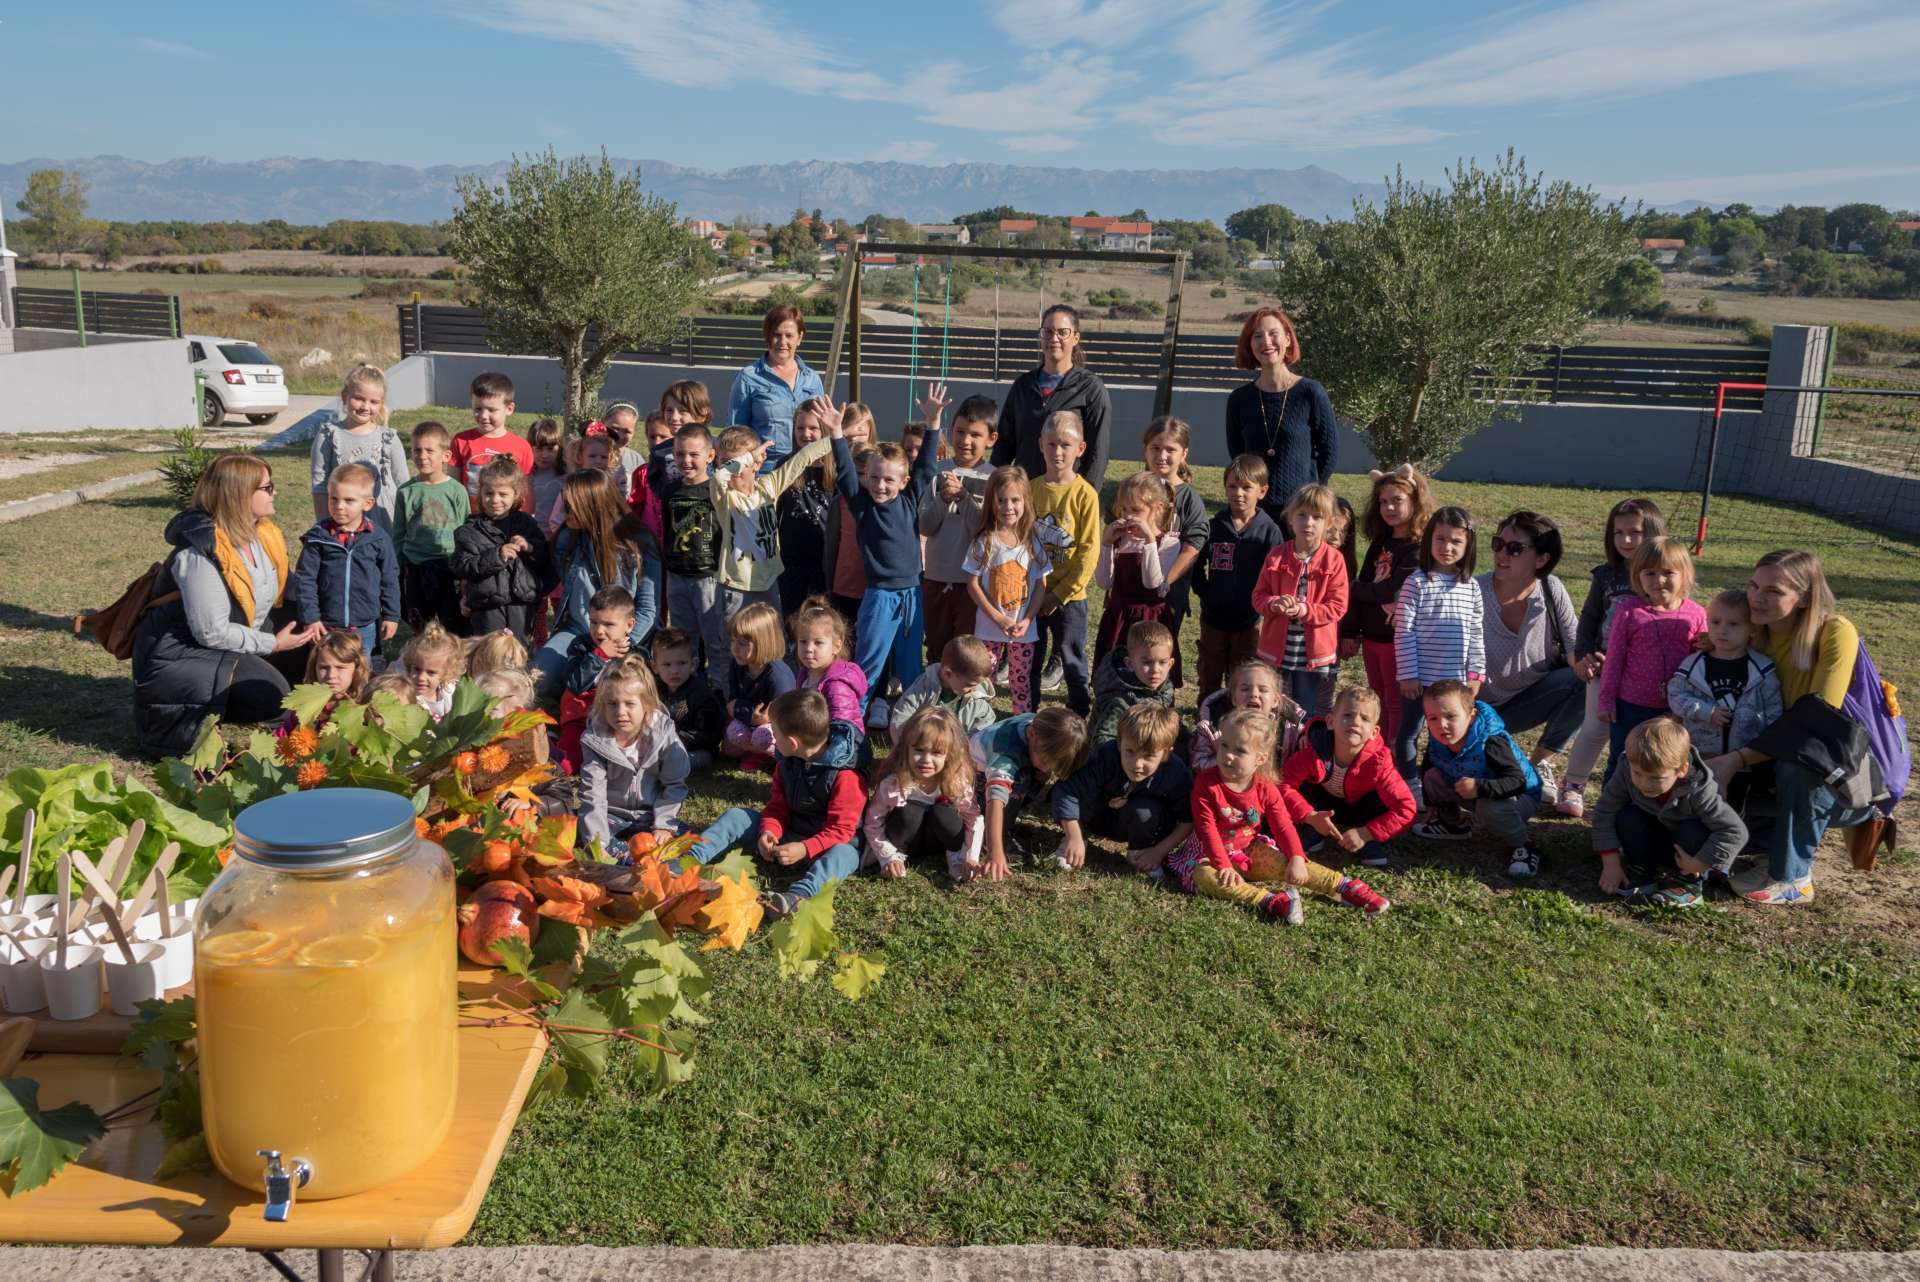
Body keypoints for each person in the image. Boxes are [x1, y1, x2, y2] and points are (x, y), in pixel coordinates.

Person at [1716, 550, 1883, 904]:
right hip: (1769, 755)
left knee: (1798, 765)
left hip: (1837, 770)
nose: (1758, 598)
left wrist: (1738, 759)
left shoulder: (1834, 632)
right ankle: (1763, 850)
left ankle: (1794, 877)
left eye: (1774, 591)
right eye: (1753, 586)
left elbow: (1817, 723)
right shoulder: (1752, 634)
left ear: (1805, 597)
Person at [1166, 709, 1390, 923]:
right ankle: (1272, 902)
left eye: (1240, 751)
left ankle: (1345, 887)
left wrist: (1296, 857)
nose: (1229, 756)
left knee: (1288, 864)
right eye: (1224, 745)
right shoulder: (1206, 783)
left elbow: (1283, 826)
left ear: (1260, 759)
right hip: (1208, 854)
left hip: (1248, 849)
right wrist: (1223, 865)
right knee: (1204, 877)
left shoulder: (1266, 788)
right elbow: (1207, 830)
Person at [687, 689, 868, 917]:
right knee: (737, 816)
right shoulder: (786, 763)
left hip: (832, 844)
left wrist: (805, 848)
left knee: (844, 856)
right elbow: (777, 805)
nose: (771, 738)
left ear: (792, 743)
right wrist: (769, 830)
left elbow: (841, 830)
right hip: (791, 832)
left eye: (774, 733)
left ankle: (797, 897)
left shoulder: (846, 777)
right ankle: (690, 859)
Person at [828, 388, 944, 722]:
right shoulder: (862, 506)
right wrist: (836, 434)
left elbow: (926, 467)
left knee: (910, 667)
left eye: (889, 480)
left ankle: (914, 723)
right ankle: (852, 719)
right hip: (880, 597)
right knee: (870, 662)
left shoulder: (908, 500)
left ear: (903, 481)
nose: (880, 485)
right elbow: (848, 475)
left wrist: (933, 422)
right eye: (874, 478)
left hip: (911, 595)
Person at [1559, 497, 1664, 818]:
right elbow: (1590, 618)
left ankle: (1637, 791)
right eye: (1619, 533)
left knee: (1641, 734)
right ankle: (1573, 784)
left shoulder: (1665, 576)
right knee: (1594, 728)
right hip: (1604, 667)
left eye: (1635, 532)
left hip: (1646, 674)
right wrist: (1583, 654)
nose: (1627, 540)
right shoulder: (1607, 576)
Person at [1475, 510, 1584, 809]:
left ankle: (1539, 764)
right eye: (1499, 544)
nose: (1502, 554)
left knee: (1585, 678)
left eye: (1515, 548)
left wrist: (1597, 670)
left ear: (1541, 559)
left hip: (1528, 699)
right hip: (1477, 711)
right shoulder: (1474, 591)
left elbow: (1575, 648)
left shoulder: (1551, 589)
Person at [1592, 716, 1747, 907]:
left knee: (1692, 830)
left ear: (1682, 770)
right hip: (1658, 840)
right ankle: (1642, 870)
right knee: (1628, 817)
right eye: (1638, 773)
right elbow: (1604, 810)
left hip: (1690, 854)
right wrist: (1611, 865)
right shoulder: (1626, 769)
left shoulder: (1699, 789)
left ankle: (1690, 884)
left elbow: (1735, 831)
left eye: (1656, 778)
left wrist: (1700, 862)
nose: (1644, 783)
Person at [533, 470, 656, 698]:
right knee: (539, 681)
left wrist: (623, 645)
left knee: (618, 687)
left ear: (593, 505)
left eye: (571, 507)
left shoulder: (639, 544)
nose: (563, 512)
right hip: (579, 631)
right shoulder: (566, 539)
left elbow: (648, 610)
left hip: (624, 635)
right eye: (564, 504)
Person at [1343, 465, 1435, 756]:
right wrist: (1350, 630)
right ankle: (1377, 751)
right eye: (1383, 502)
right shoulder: (1380, 543)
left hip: (1397, 639)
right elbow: (1365, 585)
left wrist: (1355, 587)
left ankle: (1395, 755)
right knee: (1378, 698)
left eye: (1397, 500)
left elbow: (1390, 590)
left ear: (1415, 502)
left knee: (1396, 703)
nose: (1389, 507)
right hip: (1371, 636)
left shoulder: (1418, 548)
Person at [1598, 537, 1707, 780]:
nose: (1659, 580)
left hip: (1676, 707)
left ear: (1685, 574)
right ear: (1638, 577)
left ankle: (1657, 812)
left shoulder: (1697, 614)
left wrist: (1707, 645)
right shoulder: (1629, 611)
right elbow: (1614, 659)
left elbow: (1700, 662)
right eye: (1650, 573)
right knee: (1622, 758)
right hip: (1631, 704)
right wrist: (1606, 700)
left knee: (1668, 762)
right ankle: (1610, 813)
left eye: (1668, 572)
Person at [711, 419, 835, 632]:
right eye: (727, 462)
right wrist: (748, 457)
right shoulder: (725, 497)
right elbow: (719, 476)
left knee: (773, 640)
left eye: (739, 464)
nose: (732, 470)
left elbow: (802, 458)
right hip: (737, 586)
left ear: (758, 464)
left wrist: (837, 435)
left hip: (768, 582)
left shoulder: (768, 486)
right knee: (733, 644)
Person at [1392, 507, 1485, 791]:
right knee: (1408, 734)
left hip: (1454, 685)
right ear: (1429, 541)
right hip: (1419, 682)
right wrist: (1408, 675)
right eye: (1440, 539)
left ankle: (1436, 787)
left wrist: (1476, 673)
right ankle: (1410, 785)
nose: (1447, 547)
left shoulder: (1471, 587)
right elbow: (1403, 630)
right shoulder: (1416, 583)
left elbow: (1476, 633)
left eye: (1456, 541)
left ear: (1468, 545)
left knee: (1444, 737)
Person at [1413, 679, 1544, 877]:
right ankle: (1453, 825)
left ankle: (1525, 846)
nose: (1442, 725)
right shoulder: (1439, 738)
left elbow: (1517, 781)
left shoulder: (1491, 741)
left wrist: (1480, 787)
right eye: (1433, 718)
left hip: (1520, 798)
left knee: (1490, 807)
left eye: (1451, 716)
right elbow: (1430, 764)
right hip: (1474, 789)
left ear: (1471, 716)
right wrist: (1431, 802)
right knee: (1432, 777)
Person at [1223, 308, 1338, 529]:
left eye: (1273, 333)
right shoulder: (1239, 399)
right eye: (1257, 336)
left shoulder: (1311, 392)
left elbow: (1329, 451)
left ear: (1287, 338)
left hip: (1301, 514)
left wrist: (1310, 495)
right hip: (1255, 514)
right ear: (1250, 345)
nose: (1266, 341)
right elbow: (1239, 457)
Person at [1281, 685, 1417, 870]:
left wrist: (1367, 833)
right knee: (1303, 786)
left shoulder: (1380, 761)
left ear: (1374, 733)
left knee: (1381, 797)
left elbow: (1406, 808)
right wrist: (1309, 816)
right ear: (1330, 721)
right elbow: (1283, 784)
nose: (1355, 722)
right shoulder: (1313, 749)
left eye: (1365, 718)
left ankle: (1366, 841)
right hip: (1323, 806)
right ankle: (1313, 829)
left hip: (1361, 810)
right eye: (1347, 715)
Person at [1053, 703, 1193, 875]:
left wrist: (1159, 851)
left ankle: (1140, 851)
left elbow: (1188, 819)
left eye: (1148, 756)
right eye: (1130, 751)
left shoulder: (1175, 773)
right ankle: (1076, 838)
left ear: (1165, 754)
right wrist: (1073, 835)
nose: (1137, 764)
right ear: (1119, 743)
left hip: (1137, 822)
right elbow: (1067, 790)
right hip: (1097, 816)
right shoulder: (1105, 757)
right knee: (1085, 790)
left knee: (1146, 810)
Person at [963, 465, 1059, 716]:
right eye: (1001, 500)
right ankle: (978, 724)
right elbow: (972, 585)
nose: (1008, 507)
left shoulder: (1032, 541)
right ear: (991, 503)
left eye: (1015, 500)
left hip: (1023, 632)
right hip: (988, 630)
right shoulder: (985, 541)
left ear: (1025, 501)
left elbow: (1040, 585)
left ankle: (1021, 725)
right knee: (984, 682)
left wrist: (1027, 620)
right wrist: (997, 618)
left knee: (1021, 684)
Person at [992, 303, 1114, 493]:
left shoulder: (1090, 389)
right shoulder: (1023, 386)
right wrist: (995, 490)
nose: (1054, 338)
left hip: (1065, 499)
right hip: (1024, 496)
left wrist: (1085, 497)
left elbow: (1098, 452)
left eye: (1062, 332)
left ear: (1075, 338)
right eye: (1047, 332)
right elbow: (1003, 447)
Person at [577, 657, 691, 859]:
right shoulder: (595, 740)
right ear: (603, 705)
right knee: (581, 827)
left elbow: (674, 784)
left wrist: (664, 825)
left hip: (650, 816)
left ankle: (632, 856)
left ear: (646, 704)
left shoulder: (663, 736)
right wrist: (599, 843)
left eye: (630, 704)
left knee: (682, 840)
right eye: (612, 704)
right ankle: (618, 854)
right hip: (611, 814)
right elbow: (592, 794)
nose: (620, 712)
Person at [1027, 410, 1102, 718]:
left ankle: (1079, 711)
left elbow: (1088, 551)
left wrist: (1059, 595)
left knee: (1071, 656)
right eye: (1052, 444)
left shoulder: (1085, 494)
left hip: (1070, 599)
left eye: (1066, 445)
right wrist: (1037, 591)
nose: (1058, 452)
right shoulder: (1030, 488)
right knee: (1029, 656)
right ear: (1041, 444)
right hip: (1033, 594)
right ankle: (1026, 709)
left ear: (1080, 448)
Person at [1666, 588, 1782, 783]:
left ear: (1753, 629)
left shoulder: (1763, 669)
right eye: (1716, 622)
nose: (1722, 630)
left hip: (1746, 764)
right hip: (1699, 759)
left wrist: (1764, 748)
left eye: (1734, 624)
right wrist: (1705, 712)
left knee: (1737, 811)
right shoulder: (1692, 665)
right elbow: (1675, 695)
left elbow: (1774, 712)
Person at [1253, 483, 1349, 719]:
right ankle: (1276, 752)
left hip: (1312, 655)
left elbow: (1338, 606)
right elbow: (1258, 597)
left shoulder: (1334, 560)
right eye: (1302, 515)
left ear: (1328, 524)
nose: (1308, 523)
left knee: (1305, 713)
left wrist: (1305, 609)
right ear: (1290, 519)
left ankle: (1301, 753)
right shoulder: (1276, 555)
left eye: (1317, 517)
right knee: (1272, 710)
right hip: (1277, 651)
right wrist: (1274, 604)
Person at [1193, 455, 1284, 700]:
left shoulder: (1270, 531)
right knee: (1209, 674)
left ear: (1262, 491)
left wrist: (1263, 605)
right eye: (1232, 486)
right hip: (1214, 619)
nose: (1238, 493)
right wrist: (1206, 592)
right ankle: (1207, 720)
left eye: (1246, 487)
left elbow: (1277, 575)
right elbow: (1195, 564)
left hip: (1250, 622)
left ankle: (1237, 724)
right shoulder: (1214, 526)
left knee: (1243, 677)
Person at [290, 462, 401, 661]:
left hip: (364, 624)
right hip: (325, 623)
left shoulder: (378, 538)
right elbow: (305, 580)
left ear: (367, 503)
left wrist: (392, 615)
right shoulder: (318, 538)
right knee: (326, 670)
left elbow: (390, 578)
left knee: (362, 669)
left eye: (349, 500)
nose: (339, 506)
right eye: (334, 499)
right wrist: (311, 617)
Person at [971, 707, 1091, 883]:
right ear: (1032, 734)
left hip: (995, 770)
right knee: (1020, 780)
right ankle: (994, 836)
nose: (1046, 769)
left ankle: (1007, 820)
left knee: (1032, 775)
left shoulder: (1040, 726)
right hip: (972, 783)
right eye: (1044, 762)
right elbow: (995, 800)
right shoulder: (1006, 752)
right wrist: (994, 851)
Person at [863, 707, 983, 880]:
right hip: (907, 841)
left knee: (943, 812)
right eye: (919, 750)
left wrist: (970, 857)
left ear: (949, 755)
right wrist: (886, 856)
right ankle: (898, 858)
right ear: (906, 749)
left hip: (940, 841)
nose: (926, 760)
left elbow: (974, 819)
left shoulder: (957, 784)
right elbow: (873, 822)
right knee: (909, 811)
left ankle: (955, 856)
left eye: (936, 753)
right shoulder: (894, 784)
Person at [920, 395, 998, 665]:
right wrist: (942, 499)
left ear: (991, 439)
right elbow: (925, 526)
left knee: (966, 647)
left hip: (973, 582)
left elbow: (985, 529)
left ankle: (963, 695)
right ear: (950, 430)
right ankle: (934, 692)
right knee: (936, 642)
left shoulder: (993, 478)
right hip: (936, 575)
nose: (966, 440)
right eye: (960, 431)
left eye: (975, 434)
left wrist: (965, 498)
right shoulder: (936, 471)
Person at [450, 458, 551, 644]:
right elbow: (461, 566)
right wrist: (498, 556)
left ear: (516, 494)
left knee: (518, 654)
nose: (495, 500)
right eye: (489, 493)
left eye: (503, 494)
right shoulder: (469, 530)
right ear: (480, 493)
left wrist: (529, 547)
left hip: (521, 605)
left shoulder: (526, 524)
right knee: (489, 655)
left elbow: (544, 559)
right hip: (486, 609)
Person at [1140, 417, 1209, 683]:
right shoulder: (1134, 487)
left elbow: (1194, 546)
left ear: (1184, 454)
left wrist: (1165, 582)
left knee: (1160, 651)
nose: (1162, 456)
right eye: (1155, 448)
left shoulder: (1189, 498)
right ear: (1145, 449)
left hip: (1168, 594)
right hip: (1132, 591)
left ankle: (1160, 702)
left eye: (1170, 450)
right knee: (1131, 649)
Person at [1092, 471, 1181, 670]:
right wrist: (1106, 544)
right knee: (1117, 671)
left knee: (1147, 670)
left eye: (1135, 510)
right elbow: (1104, 582)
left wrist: (1149, 541)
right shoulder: (1119, 541)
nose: (1128, 516)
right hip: (1119, 619)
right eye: (1123, 510)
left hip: (1150, 620)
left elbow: (1152, 583)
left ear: (1157, 509)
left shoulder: (1168, 543)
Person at [728, 304, 827, 473]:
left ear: (800, 337)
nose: (783, 342)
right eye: (776, 335)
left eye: (789, 335)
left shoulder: (812, 379)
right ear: (767, 336)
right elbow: (736, 433)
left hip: (806, 470)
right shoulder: (749, 377)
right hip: (765, 472)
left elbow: (822, 429)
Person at [308, 364, 409, 529]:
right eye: (359, 398)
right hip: (343, 523)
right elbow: (320, 485)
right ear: (344, 396)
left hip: (386, 522)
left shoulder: (389, 438)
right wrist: (324, 527)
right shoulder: (328, 435)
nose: (365, 407)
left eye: (373, 402)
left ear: (381, 403)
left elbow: (403, 484)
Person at [392, 421, 469, 636]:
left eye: (429, 450)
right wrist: (396, 570)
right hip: (415, 566)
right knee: (419, 623)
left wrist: (464, 571)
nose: (422, 456)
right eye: (417, 450)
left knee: (450, 623)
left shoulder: (457, 491)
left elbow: (464, 531)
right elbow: (398, 534)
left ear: (445, 456)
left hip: (448, 566)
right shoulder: (406, 491)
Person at [775, 398, 841, 619]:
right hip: (791, 563)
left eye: (813, 428)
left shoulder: (838, 469)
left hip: (824, 562)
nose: (806, 434)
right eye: (800, 428)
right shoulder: (785, 465)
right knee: (792, 621)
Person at [558, 586, 636, 773]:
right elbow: (573, 684)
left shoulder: (636, 654)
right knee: (565, 766)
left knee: (626, 765)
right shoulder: (581, 646)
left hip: (619, 722)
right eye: (593, 622)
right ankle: (553, 741)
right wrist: (598, 656)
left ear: (629, 625)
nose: (599, 631)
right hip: (581, 721)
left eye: (608, 625)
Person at [1192, 658, 1302, 777]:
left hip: (1273, 789)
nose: (1254, 694)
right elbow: (1198, 763)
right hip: (1226, 788)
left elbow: (1304, 761)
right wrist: (1224, 757)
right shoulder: (1212, 726)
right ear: (1234, 698)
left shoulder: (1290, 727)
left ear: (1275, 700)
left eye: (1263, 690)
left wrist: (1307, 733)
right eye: (1245, 689)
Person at [722, 602, 795, 770]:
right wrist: (751, 715)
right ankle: (757, 753)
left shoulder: (777, 675)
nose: (734, 648)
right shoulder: (737, 664)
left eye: (742, 644)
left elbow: (784, 716)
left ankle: (781, 759)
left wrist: (764, 719)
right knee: (731, 740)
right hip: (752, 719)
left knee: (763, 736)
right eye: (733, 641)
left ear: (763, 643)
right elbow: (732, 702)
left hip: (779, 728)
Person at [889, 637, 997, 742]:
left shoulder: (976, 696)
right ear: (947, 673)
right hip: (927, 748)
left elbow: (987, 721)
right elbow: (901, 717)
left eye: (978, 684)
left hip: (958, 751)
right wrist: (907, 745)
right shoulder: (924, 687)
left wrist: (970, 744)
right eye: (970, 685)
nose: (974, 689)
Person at [648, 627, 726, 773]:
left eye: (681, 663)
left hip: (697, 750)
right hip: (661, 744)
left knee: (683, 760)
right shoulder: (653, 689)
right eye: (667, 665)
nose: (674, 671)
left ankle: (660, 765)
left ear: (693, 664)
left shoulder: (702, 694)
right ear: (655, 666)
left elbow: (710, 735)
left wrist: (674, 737)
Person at [1089, 620, 1177, 746]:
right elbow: (1101, 741)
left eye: (1162, 662)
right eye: (1146, 662)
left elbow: (1171, 722)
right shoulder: (1119, 700)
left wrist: (1191, 742)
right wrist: (1131, 754)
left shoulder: (1165, 689)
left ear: (1170, 664)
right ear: (1130, 663)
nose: (1155, 670)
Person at [450, 371, 532, 504]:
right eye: (478, 408)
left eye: (491, 410)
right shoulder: (461, 441)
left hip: (508, 520)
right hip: (470, 519)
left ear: (509, 408)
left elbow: (526, 491)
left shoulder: (522, 447)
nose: (483, 415)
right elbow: (453, 486)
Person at [788, 595, 867, 726]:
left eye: (818, 642)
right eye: (803, 641)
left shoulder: (837, 686)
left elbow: (842, 729)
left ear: (836, 646)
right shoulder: (805, 673)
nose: (808, 648)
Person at [277, 629, 371, 738]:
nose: (331, 675)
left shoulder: (364, 707)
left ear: (356, 669)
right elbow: (282, 736)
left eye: (340, 667)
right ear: (314, 668)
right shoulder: (307, 705)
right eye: (324, 668)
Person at [401, 622, 465, 722]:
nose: (421, 677)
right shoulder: (406, 699)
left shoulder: (451, 691)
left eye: (431, 672)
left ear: (447, 673)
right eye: (416, 669)